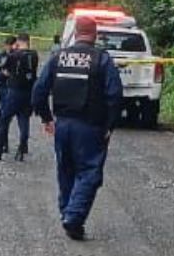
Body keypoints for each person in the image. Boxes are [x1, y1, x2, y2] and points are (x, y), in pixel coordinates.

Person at [32, 17, 123, 240]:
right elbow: (114, 95)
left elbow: (39, 91)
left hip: (63, 125)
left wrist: (46, 118)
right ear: (95, 34)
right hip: (90, 127)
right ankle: (73, 217)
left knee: (66, 170)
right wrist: (109, 125)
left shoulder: (58, 57)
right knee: (89, 173)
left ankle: (67, 213)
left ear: (75, 33)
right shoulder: (102, 59)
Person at [0, 33, 38, 162]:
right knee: (24, 122)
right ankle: (21, 151)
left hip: (14, 92)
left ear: (18, 42)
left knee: (4, 120)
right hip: (28, 93)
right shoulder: (34, 55)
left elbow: (5, 70)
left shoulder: (13, 56)